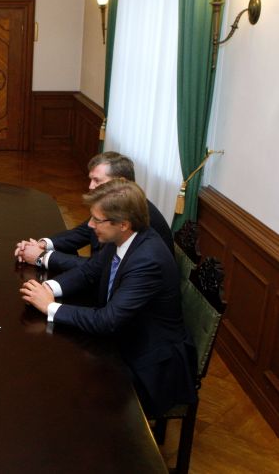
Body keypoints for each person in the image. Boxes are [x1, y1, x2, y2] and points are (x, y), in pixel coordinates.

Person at [20, 179, 196, 417]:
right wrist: (48, 288)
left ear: (123, 224)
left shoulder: (148, 260)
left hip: (149, 364)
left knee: (69, 399)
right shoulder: (124, 237)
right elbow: (89, 271)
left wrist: (50, 307)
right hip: (125, 336)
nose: (90, 225)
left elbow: (107, 320)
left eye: (97, 220)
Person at [14, 151, 174, 273]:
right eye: (90, 179)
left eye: (97, 180)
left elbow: (102, 267)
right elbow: (83, 232)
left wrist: (42, 257)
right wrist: (42, 244)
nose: (90, 186)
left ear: (121, 182)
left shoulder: (135, 215)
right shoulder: (116, 205)